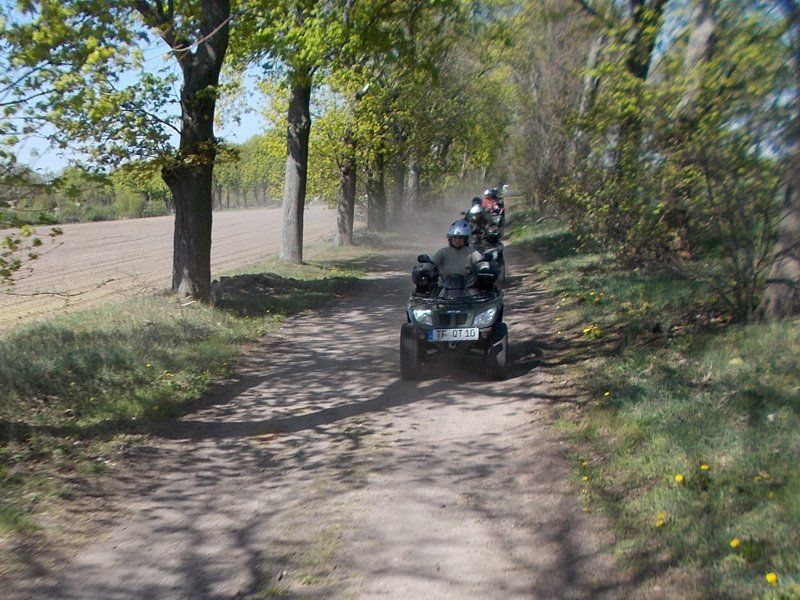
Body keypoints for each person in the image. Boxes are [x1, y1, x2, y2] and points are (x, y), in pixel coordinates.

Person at [432, 220, 483, 287]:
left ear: (465, 239)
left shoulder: (472, 252)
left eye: (460, 237)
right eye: (454, 237)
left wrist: (484, 267)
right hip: (443, 289)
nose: (457, 240)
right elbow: (431, 263)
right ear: (450, 238)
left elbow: (481, 262)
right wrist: (425, 269)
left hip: (467, 289)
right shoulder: (443, 252)